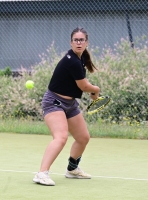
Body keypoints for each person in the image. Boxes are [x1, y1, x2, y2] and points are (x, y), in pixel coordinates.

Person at [33, 27, 100, 186]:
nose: (78, 43)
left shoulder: (81, 58)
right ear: (71, 42)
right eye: (76, 40)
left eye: (81, 40)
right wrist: (95, 90)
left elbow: (82, 85)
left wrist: (92, 90)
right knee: (61, 137)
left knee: (83, 138)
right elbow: (84, 86)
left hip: (70, 104)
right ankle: (41, 173)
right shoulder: (72, 61)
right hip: (54, 102)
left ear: (86, 42)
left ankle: (72, 169)